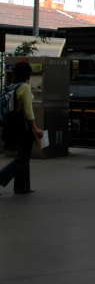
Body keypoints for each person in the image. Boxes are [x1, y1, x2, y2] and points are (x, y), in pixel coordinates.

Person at [0, 61, 43, 194]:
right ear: (27, 74)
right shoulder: (24, 87)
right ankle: (4, 179)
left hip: (13, 125)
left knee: (23, 156)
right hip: (23, 126)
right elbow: (28, 111)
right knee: (23, 158)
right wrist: (35, 128)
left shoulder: (12, 86)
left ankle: (21, 187)